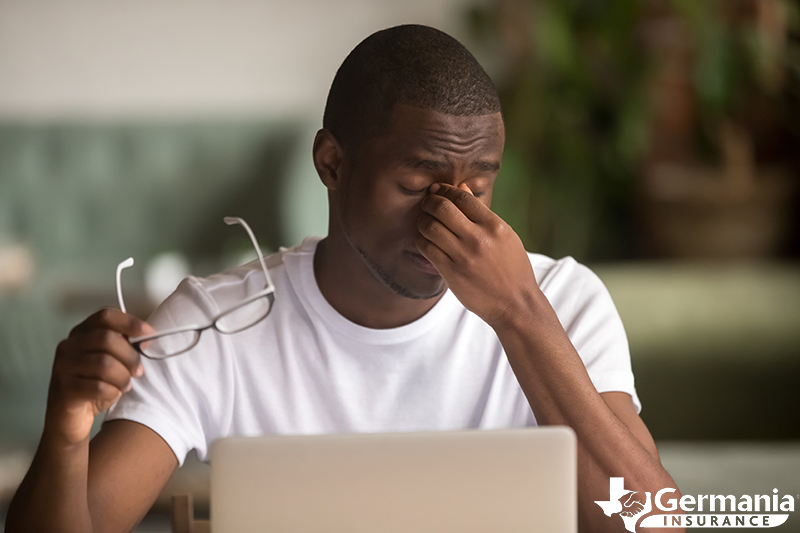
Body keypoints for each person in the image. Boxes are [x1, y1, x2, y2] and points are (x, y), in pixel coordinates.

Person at [6, 24, 679, 532]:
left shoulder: (560, 300)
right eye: (417, 184)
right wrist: (66, 430)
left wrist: (517, 314)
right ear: (331, 163)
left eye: (479, 186)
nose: (451, 217)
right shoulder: (219, 324)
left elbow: (655, 523)